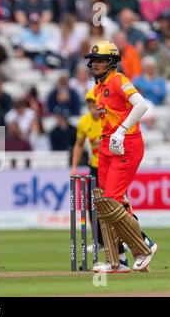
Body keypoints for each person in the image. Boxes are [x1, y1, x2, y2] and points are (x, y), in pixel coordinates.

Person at [84, 40, 158, 273]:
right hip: (108, 146)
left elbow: (141, 105)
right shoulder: (97, 88)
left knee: (112, 200)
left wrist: (122, 130)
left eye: (101, 60)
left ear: (112, 61)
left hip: (126, 144)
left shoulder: (119, 80)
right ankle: (118, 260)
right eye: (94, 60)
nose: (96, 64)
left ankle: (144, 245)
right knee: (108, 203)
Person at [70, 89, 104, 251]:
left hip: (110, 166)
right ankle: (98, 241)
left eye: (95, 104)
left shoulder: (107, 119)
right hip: (95, 166)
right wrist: (74, 166)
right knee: (92, 204)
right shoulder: (84, 122)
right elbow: (78, 145)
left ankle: (120, 241)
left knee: (113, 203)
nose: (93, 108)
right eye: (90, 105)